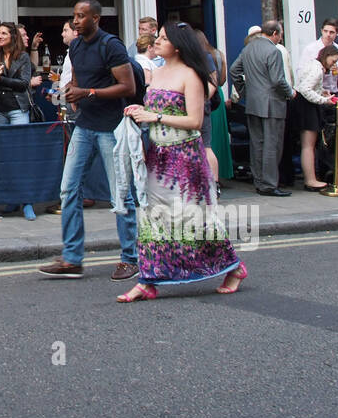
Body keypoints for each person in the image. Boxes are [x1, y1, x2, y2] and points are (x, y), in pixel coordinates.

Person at [120, 22, 246, 301]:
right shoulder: (158, 72)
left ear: (177, 45)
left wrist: (156, 117)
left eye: (163, 38)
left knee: (195, 220)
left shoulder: (191, 75)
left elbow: (194, 120)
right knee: (154, 217)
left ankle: (234, 267)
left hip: (185, 157)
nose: (156, 41)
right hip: (157, 155)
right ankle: (148, 280)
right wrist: (141, 110)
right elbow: (155, 109)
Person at [38, 0, 140, 281]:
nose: (76, 21)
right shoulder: (77, 46)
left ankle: (130, 258)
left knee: (120, 194)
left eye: (82, 16)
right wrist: (70, 91)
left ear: (96, 18)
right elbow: (77, 81)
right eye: (74, 16)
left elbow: (127, 86)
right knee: (69, 190)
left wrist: (88, 93)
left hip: (111, 127)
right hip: (84, 125)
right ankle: (72, 259)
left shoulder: (111, 45)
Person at [229, 20, 294, 196]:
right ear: (274, 33)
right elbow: (278, 80)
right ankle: (270, 184)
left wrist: (245, 91)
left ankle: (259, 181)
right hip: (272, 103)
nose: (280, 38)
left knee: (257, 144)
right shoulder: (273, 51)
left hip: (253, 103)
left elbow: (234, 70)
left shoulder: (248, 48)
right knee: (272, 145)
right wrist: (290, 92)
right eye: (280, 34)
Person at [0, 22, 37, 221]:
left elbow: (24, 84)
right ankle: (12, 199)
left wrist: (2, 80)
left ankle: (27, 202)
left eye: (3, 33)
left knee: (21, 155)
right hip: (0, 109)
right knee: (4, 156)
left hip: (18, 109)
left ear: (12, 36)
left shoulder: (23, 57)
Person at [294, 46, 338, 191]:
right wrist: (323, 100)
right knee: (308, 145)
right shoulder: (317, 69)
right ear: (327, 55)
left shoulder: (313, 65)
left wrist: (322, 92)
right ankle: (310, 180)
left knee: (307, 145)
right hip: (307, 107)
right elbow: (305, 89)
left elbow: (307, 86)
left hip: (304, 105)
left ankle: (311, 178)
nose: (333, 65)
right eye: (333, 61)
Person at [196, 29, 234, 183]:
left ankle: (206, 177)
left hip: (202, 96)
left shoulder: (194, 58)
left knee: (205, 140)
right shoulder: (218, 54)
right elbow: (222, 79)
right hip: (216, 94)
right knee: (215, 138)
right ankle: (219, 177)